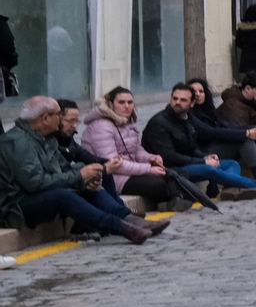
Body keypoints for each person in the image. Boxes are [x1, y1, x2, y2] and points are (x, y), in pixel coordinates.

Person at [0, 96, 164, 244]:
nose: (61, 119)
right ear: (45, 118)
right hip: (17, 204)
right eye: (58, 114)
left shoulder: (45, 138)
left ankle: (129, 218)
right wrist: (79, 176)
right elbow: (34, 183)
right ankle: (121, 227)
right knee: (63, 195)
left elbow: (63, 168)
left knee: (90, 183)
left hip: (39, 192)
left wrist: (86, 176)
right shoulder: (18, 142)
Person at [143, 84, 256, 198]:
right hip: (171, 168)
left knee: (232, 163)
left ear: (192, 104)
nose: (177, 103)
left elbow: (192, 147)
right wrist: (203, 161)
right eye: (175, 99)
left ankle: (231, 189)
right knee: (209, 169)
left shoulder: (186, 119)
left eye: (183, 100)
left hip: (189, 162)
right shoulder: (159, 123)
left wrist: (204, 157)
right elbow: (169, 157)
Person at [79, 88, 177, 205]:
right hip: (111, 177)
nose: (127, 106)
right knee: (159, 184)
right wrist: (148, 169)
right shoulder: (101, 127)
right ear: (110, 104)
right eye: (121, 102)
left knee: (174, 174)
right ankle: (173, 201)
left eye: (130, 102)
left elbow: (136, 151)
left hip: (129, 172)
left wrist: (151, 158)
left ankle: (176, 201)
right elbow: (113, 163)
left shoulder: (127, 123)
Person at [187, 79, 256, 187]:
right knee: (246, 139)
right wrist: (245, 133)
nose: (198, 94)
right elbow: (211, 132)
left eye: (201, 91)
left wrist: (251, 128)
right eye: (194, 92)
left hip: (215, 146)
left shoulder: (207, 110)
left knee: (252, 136)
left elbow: (225, 125)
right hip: (204, 152)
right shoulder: (190, 114)